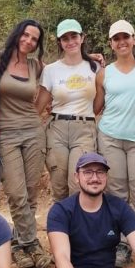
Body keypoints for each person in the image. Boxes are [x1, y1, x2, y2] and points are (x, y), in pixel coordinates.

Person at [93, 20, 135, 268]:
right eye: (116, 38)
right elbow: (97, 106)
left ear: (133, 39)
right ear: (111, 43)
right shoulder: (104, 73)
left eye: (125, 37)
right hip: (110, 137)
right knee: (117, 194)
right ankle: (121, 245)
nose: (121, 42)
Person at [0, 19, 52, 268]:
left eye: (34, 39)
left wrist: (89, 56)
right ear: (17, 34)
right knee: (16, 193)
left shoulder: (37, 65)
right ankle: (32, 243)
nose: (28, 41)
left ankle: (18, 245)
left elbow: (66, 67)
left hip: (34, 132)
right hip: (7, 134)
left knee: (31, 192)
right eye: (25, 35)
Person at [37, 19, 99, 201]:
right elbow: (40, 105)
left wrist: (87, 117)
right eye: (65, 38)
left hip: (84, 129)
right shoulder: (51, 70)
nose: (70, 41)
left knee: (78, 183)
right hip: (57, 129)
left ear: (82, 38)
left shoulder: (95, 67)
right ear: (60, 42)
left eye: (74, 36)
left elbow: (99, 103)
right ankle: (59, 228)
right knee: (59, 184)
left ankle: (79, 228)